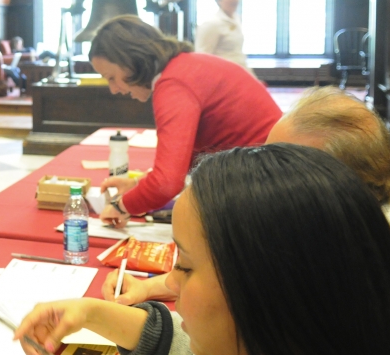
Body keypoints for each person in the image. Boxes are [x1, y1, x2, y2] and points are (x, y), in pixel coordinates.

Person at [17, 145, 390, 355]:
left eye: (183, 264)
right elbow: (191, 354)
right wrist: (89, 313)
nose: (170, 280)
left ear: (258, 282)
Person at [105, 86, 390, 305]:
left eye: (282, 166)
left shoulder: (366, 263)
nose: (265, 174)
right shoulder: (337, 214)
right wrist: (149, 288)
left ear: (336, 182)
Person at [92, 16, 281, 225]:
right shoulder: (186, 65)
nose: (114, 89)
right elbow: (184, 162)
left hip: (265, 187)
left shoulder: (174, 83)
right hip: (272, 171)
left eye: (111, 77)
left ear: (130, 62)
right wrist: (137, 184)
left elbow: (167, 183)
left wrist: (121, 206)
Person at [195, 0, 254, 75]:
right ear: (219, 0)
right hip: (223, 76)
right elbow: (203, 57)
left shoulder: (237, 19)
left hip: (241, 73)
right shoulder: (211, 24)